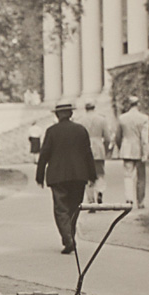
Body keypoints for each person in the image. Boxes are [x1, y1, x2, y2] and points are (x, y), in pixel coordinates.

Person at [36, 101, 97, 254]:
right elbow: (87, 153)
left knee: (61, 209)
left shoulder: (51, 131)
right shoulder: (81, 130)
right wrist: (92, 175)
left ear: (57, 115)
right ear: (71, 114)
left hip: (58, 176)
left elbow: (44, 154)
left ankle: (68, 238)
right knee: (74, 208)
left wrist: (39, 175)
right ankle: (70, 236)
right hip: (79, 175)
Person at [115, 95, 149, 209]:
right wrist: (145, 152)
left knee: (128, 175)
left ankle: (129, 199)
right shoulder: (144, 118)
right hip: (139, 149)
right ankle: (140, 201)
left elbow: (118, 136)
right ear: (138, 104)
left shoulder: (122, 118)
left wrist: (121, 147)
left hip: (127, 149)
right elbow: (144, 138)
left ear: (129, 105)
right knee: (141, 177)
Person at [76, 101, 111, 205]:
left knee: (87, 174)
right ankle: (100, 191)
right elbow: (107, 137)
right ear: (94, 107)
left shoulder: (80, 120)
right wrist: (105, 149)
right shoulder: (102, 119)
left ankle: (90, 199)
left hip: (85, 149)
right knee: (100, 172)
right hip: (99, 147)